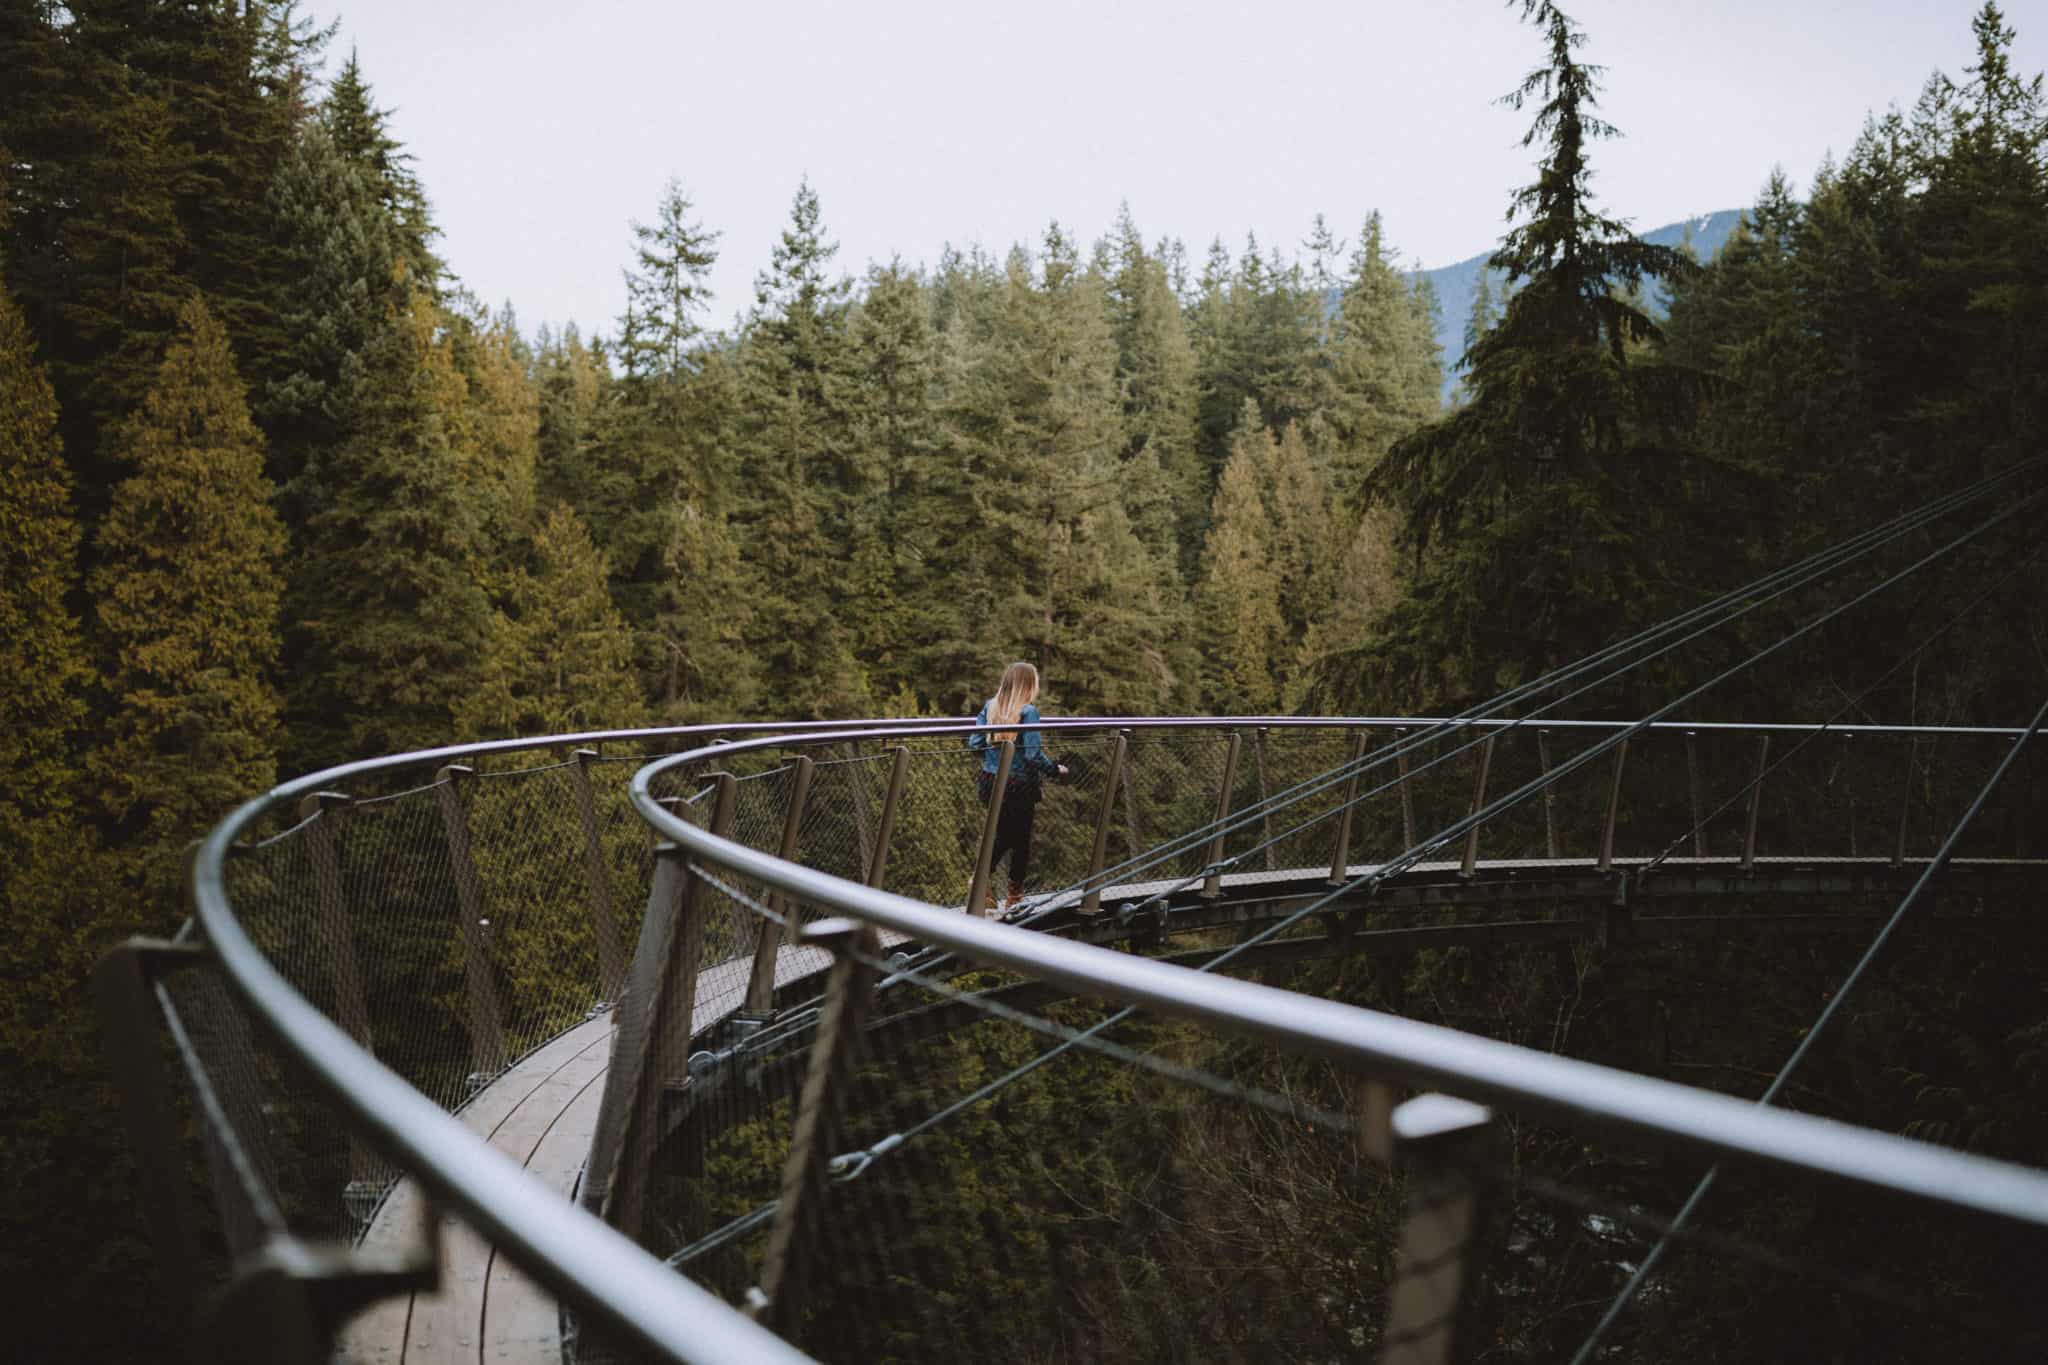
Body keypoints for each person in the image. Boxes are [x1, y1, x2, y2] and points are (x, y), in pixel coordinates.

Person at [968, 661, 1068, 915]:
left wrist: (996, 751)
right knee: (1019, 841)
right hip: (1019, 785)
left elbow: (975, 743)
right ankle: (1010, 895)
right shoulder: (1028, 711)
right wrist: (1055, 769)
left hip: (991, 781)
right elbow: (1033, 755)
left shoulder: (990, 707)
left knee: (1003, 834)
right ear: (1028, 685)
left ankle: (986, 885)